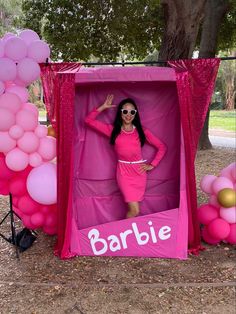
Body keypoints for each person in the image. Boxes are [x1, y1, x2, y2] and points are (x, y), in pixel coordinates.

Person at [85, 94, 166, 218]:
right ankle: (126, 233)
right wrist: (103, 107)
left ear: (135, 114)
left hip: (139, 173)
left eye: (132, 112)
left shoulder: (141, 131)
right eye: (125, 111)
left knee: (134, 210)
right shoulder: (113, 130)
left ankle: (128, 232)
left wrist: (152, 165)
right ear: (120, 113)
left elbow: (162, 147)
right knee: (135, 211)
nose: (128, 114)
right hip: (123, 173)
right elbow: (88, 121)